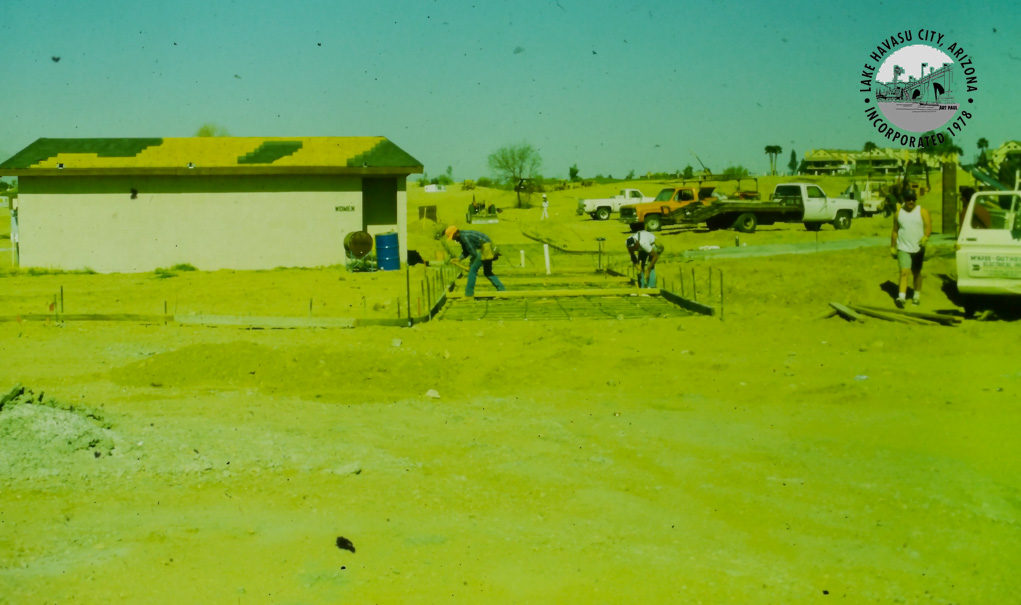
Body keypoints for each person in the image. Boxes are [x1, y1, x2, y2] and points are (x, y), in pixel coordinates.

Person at [890, 189, 931, 307]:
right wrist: (892, 246)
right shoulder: (899, 214)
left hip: (918, 248)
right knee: (904, 272)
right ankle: (901, 297)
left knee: (917, 272)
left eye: (913, 199)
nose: (911, 201)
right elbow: (894, 230)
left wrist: (925, 237)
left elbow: (928, 226)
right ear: (904, 200)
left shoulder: (922, 211)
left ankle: (916, 295)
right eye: (908, 199)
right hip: (903, 247)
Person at [445, 225, 506, 297]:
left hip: (487, 249)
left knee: (472, 271)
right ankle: (502, 291)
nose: (453, 239)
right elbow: (466, 251)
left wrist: (470, 265)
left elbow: (473, 253)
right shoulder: (463, 236)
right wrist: (459, 258)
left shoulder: (464, 237)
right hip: (489, 247)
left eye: (453, 237)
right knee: (487, 272)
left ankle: (468, 294)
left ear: (456, 234)